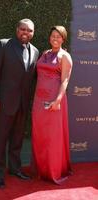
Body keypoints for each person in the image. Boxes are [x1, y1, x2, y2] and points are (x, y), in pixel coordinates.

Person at [0, 18, 39, 189]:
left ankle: (15, 169)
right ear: (17, 30)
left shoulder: (36, 51)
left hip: (23, 104)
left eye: (29, 30)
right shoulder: (4, 45)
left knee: (17, 140)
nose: (25, 32)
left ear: (33, 33)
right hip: (4, 103)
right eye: (23, 29)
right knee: (1, 140)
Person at [31, 25, 73, 184]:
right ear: (50, 37)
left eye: (59, 36)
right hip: (38, 101)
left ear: (63, 39)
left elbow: (65, 81)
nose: (55, 38)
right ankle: (41, 169)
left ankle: (54, 171)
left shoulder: (65, 56)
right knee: (40, 135)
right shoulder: (44, 54)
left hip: (54, 101)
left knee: (53, 137)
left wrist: (58, 100)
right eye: (53, 35)